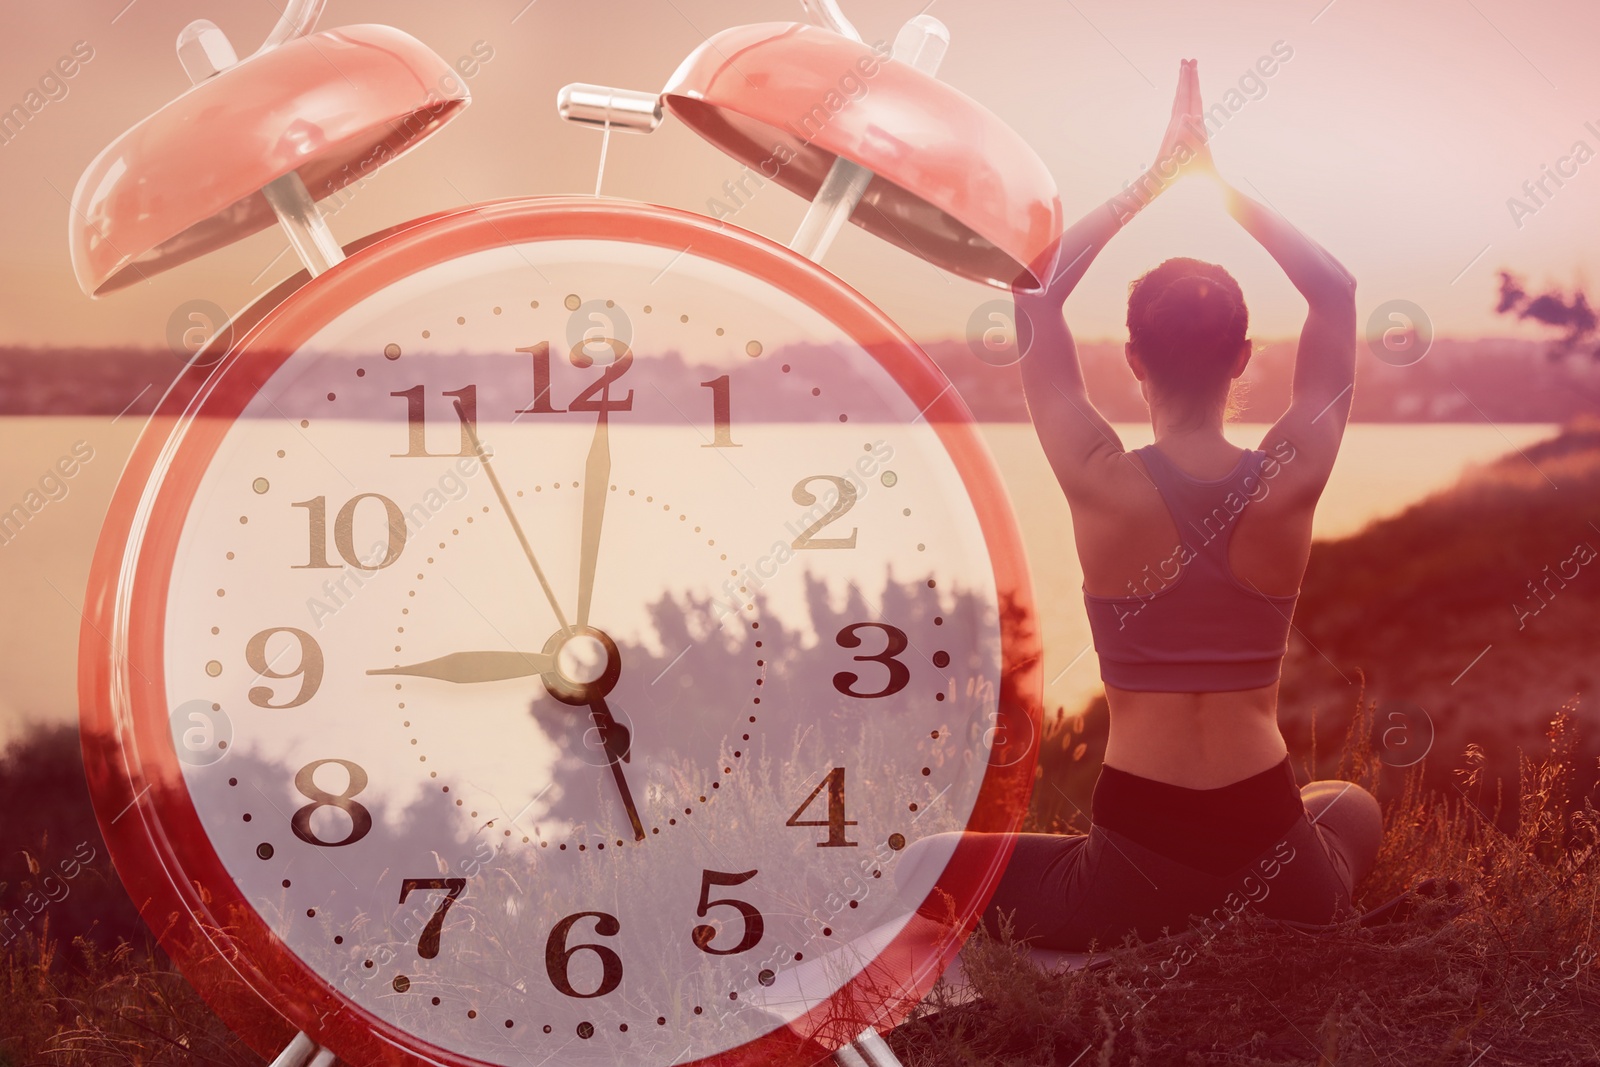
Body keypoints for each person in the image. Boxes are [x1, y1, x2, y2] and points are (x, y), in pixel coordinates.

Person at [911, 60, 1382, 951]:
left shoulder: (1100, 475)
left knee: (927, 858)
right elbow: (1337, 291)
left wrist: (1153, 181)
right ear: (1243, 357)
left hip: (1131, 872)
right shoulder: (1294, 473)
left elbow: (1032, 292)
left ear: (1133, 360)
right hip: (1275, 861)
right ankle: (1282, 902)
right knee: (1347, 801)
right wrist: (1219, 183)